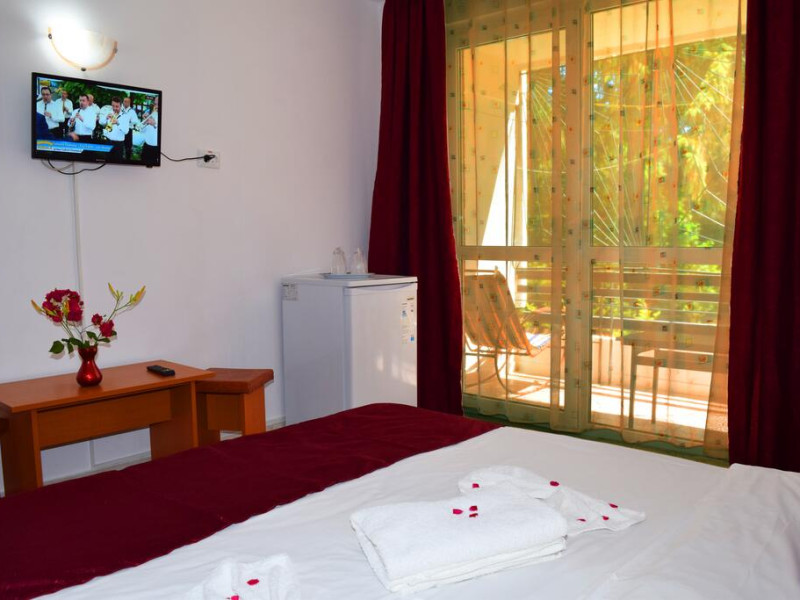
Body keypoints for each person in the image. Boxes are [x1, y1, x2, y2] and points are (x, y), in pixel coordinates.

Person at [140, 96, 159, 164]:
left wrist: (154, 124)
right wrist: (144, 121)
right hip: (146, 146)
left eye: (158, 104)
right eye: (155, 104)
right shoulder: (151, 114)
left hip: (156, 148)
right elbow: (141, 131)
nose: (156, 106)